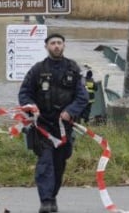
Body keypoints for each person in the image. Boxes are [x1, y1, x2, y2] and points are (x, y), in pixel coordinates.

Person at [18, 33, 88, 213]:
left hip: (64, 126)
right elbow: (24, 94)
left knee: (59, 163)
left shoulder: (73, 69)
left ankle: (53, 197)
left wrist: (70, 112)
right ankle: (46, 201)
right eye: (52, 43)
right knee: (45, 162)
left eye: (59, 43)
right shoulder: (38, 70)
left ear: (64, 46)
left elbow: (82, 97)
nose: (56, 46)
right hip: (43, 125)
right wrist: (31, 107)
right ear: (46, 46)